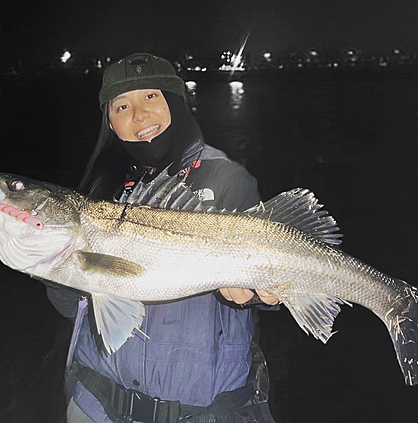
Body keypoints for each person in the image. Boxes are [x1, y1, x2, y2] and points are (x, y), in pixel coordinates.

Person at [47, 52, 278, 423]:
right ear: (109, 121)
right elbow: (73, 306)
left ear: (176, 102)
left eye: (151, 97)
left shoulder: (226, 178)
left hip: (204, 413)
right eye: (121, 105)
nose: (138, 115)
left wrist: (259, 294)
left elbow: (267, 275)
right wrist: (56, 268)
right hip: (97, 403)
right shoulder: (98, 188)